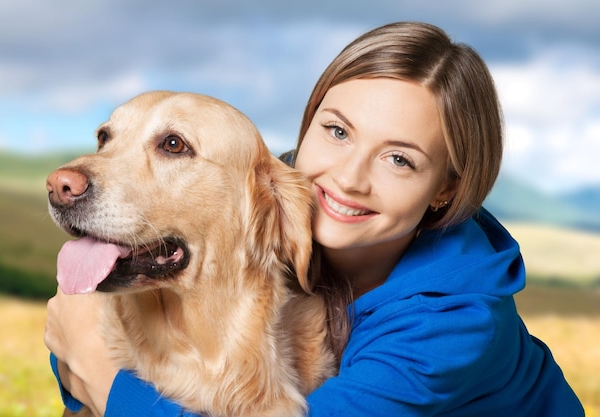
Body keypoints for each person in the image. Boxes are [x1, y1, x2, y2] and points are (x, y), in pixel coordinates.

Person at [44, 21, 584, 416]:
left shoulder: (449, 327)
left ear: (448, 189)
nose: (347, 178)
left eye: (399, 159)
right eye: (337, 131)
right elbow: (76, 340)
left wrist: (105, 377)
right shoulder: (277, 196)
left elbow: (90, 362)